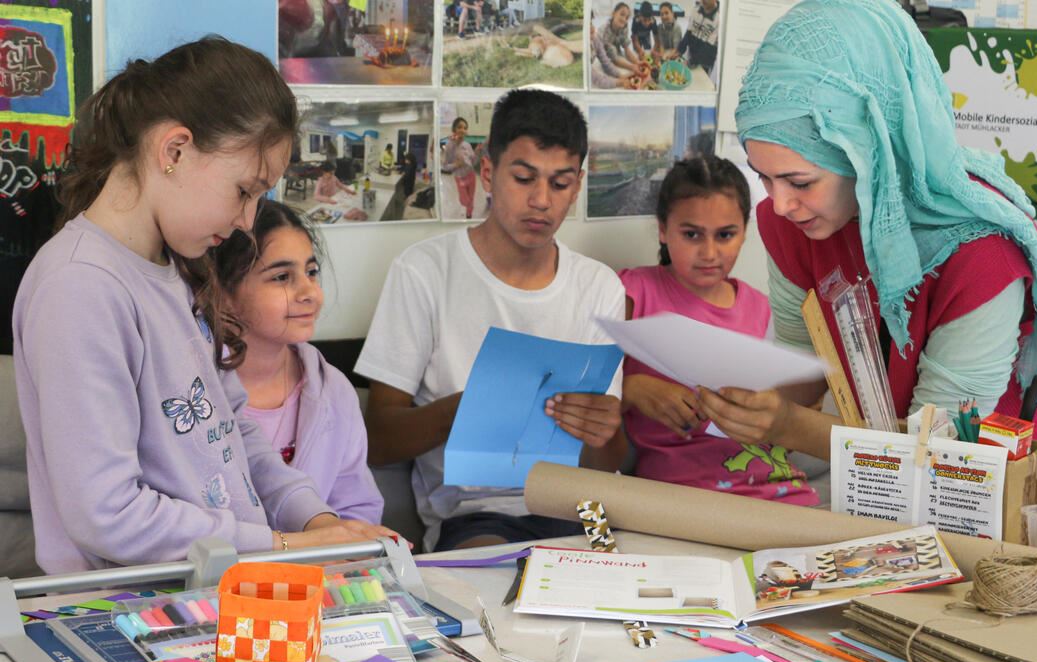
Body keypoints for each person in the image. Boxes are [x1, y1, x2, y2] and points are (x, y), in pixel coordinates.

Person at [709, 0, 1037, 502]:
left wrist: (787, 425)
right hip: (907, 460)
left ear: (874, 154)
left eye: (799, 180)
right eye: (762, 176)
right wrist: (746, 405)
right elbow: (804, 372)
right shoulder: (790, 223)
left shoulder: (981, 249)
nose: (779, 203)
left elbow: (941, 453)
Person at [12, 38, 396, 574]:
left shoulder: (175, 270)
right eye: (244, 190)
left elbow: (235, 429)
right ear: (174, 151)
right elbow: (107, 513)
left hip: (209, 588)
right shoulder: (79, 286)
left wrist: (314, 522)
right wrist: (279, 546)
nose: (246, 220)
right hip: (122, 609)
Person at [355, 89, 626, 551]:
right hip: (477, 513)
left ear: (577, 186)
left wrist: (604, 432)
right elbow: (378, 442)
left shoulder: (599, 286)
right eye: (524, 178)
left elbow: (607, 462)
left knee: (625, 591)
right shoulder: (424, 272)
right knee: (496, 597)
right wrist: (456, 414)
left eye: (560, 185)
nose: (541, 201)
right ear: (487, 172)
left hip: (585, 508)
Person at [622, 157, 818, 504]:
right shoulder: (632, 293)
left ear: (744, 232)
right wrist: (631, 388)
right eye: (692, 234)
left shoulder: (766, 311)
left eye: (725, 235)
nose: (709, 253)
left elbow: (799, 410)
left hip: (781, 491)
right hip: (682, 497)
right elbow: (577, 384)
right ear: (663, 230)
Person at [213, 200, 383, 523]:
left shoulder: (333, 391)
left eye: (311, 272)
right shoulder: (195, 392)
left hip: (319, 573)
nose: (310, 292)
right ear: (223, 291)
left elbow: (357, 511)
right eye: (281, 277)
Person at [442, 117, 478, 219]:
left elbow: (473, 162)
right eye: (459, 127)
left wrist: (476, 154)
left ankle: (469, 215)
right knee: (464, 201)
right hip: (460, 178)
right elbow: (445, 166)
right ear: (454, 129)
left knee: (471, 200)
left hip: (471, 176)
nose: (463, 130)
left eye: (465, 128)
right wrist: (456, 165)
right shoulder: (449, 145)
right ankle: (467, 208)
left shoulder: (467, 145)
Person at [677, 0, 718, 75]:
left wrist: (692, 61)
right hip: (692, 55)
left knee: (701, 82)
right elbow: (689, 32)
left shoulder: (719, 18)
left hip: (705, 62)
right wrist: (679, 51)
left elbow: (709, 47)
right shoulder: (695, 9)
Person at [601, 3, 640, 74]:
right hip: (605, 54)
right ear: (613, 13)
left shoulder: (624, 27)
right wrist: (632, 67)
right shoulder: (604, 30)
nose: (624, 19)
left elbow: (627, 50)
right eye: (622, 14)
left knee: (627, 57)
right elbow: (614, 58)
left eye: (627, 17)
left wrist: (638, 62)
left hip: (616, 51)